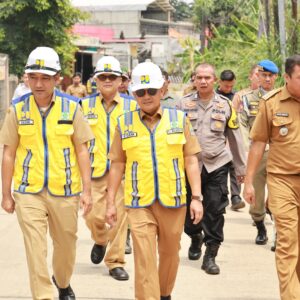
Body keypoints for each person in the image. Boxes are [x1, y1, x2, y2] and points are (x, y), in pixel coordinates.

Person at [0, 46, 93, 300]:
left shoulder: (72, 107)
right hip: (28, 192)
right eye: (34, 77)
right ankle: (43, 296)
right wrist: (6, 193)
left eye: (45, 78)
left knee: (66, 244)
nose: (38, 84)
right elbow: (8, 152)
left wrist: (87, 190)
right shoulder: (17, 109)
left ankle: (62, 282)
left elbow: (82, 150)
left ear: (56, 78)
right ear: (27, 78)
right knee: (35, 248)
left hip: (65, 190)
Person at [106, 61, 203, 300]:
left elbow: (190, 159)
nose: (146, 96)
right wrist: (110, 202)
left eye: (151, 91)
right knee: (144, 257)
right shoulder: (124, 123)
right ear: (133, 93)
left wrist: (197, 198)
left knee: (170, 253)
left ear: (162, 90)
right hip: (139, 202)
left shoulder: (179, 120)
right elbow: (117, 164)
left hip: (174, 200)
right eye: (140, 92)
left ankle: (164, 293)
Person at [176, 63, 246, 274]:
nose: (203, 81)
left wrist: (241, 168)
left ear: (214, 80)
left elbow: (235, 138)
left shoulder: (225, 105)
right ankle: (195, 236)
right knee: (188, 214)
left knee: (215, 210)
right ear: (194, 80)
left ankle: (210, 255)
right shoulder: (182, 105)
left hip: (217, 164)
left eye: (208, 77)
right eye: (199, 77)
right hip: (190, 166)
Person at [243, 54, 300, 300]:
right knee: (287, 241)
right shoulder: (271, 103)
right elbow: (258, 144)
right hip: (282, 180)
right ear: (286, 78)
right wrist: (248, 181)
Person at [81, 56, 137, 281]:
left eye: (111, 77)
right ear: (95, 80)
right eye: (102, 77)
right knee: (92, 215)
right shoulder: (83, 106)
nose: (106, 80)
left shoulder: (132, 106)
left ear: (120, 80)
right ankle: (100, 239)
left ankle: (115, 262)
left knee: (120, 218)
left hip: (122, 171)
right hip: (93, 171)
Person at [240, 59, 278, 246]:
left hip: (279, 153)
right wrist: (246, 149)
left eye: (271, 76)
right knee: (257, 195)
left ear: (276, 77)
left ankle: (278, 233)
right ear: (258, 76)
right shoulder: (248, 99)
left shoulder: (282, 98)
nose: (267, 79)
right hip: (257, 153)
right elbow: (242, 125)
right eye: (264, 75)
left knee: (279, 195)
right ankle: (260, 225)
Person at [216, 70, 245, 211]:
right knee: (219, 168)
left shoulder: (237, 97)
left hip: (233, 136)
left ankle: (235, 196)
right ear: (219, 82)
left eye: (231, 86)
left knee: (235, 166)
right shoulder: (213, 97)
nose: (228, 89)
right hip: (218, 138)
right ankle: (222, 195)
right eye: (226, 86)